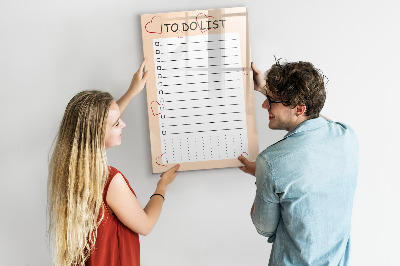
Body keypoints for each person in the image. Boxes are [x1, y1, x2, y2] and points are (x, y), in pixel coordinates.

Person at [48, 58, 180, 266]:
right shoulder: (110, 181)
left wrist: (132, 91)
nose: (124, 124)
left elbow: (101, 121)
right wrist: (162, 186)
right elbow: (145, 225)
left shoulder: (70, 170)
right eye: (117, 123)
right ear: (97, 133)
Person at [238, 60, 359, 265]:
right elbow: (316, 118)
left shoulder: (271, 162)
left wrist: (263, 176)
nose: (264, 104)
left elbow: (264, 227)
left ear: (299, 108)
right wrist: (264, 89)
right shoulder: (347, 136)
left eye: (271, 100)